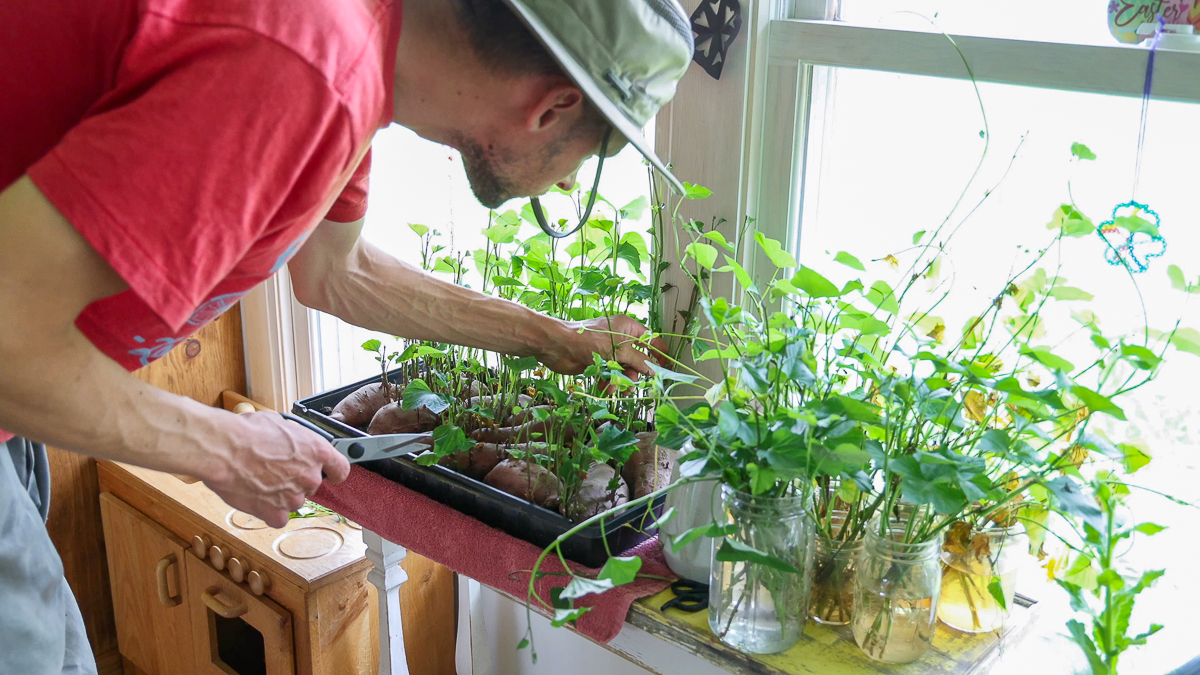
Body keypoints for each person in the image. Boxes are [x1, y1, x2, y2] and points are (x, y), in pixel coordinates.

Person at [0, 0, 694, 671]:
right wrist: (227, 446)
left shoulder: (359, 53)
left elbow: (338, 270)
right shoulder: (302, 66)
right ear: (552, 109)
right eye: (586, 160)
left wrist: (553, 337)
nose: (568, 182)